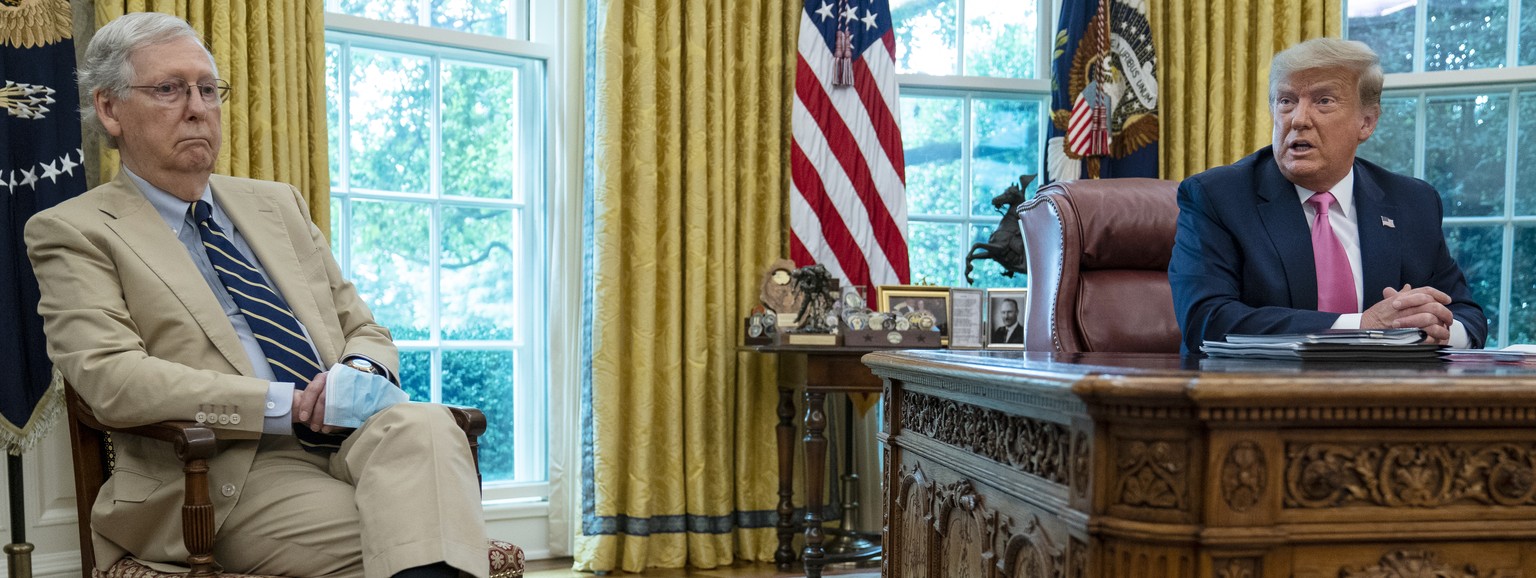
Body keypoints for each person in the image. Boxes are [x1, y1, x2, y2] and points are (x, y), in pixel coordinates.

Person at [25, 13, 486, 578]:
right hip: (225, 474)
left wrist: (360, 370)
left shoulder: (277, 205)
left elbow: (364, 329)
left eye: (207, 88)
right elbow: (112, 379)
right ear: (110, 109)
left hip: (354, 438)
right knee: (426, 536)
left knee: (430, 423)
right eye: (169, 89)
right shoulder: (74, 229)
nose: (197, 107)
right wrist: (284, 405)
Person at [1168, 37, 1487, 355]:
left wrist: (1433, 329)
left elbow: (1468, 316)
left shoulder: (1412, 203)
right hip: (1261, 398)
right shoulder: (1217, 197)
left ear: (1367, 122)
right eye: (1286, 101)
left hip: (1387, 398)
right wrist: (1362, 327)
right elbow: (1206, 320)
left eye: (1323, 101)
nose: (1298, 119)